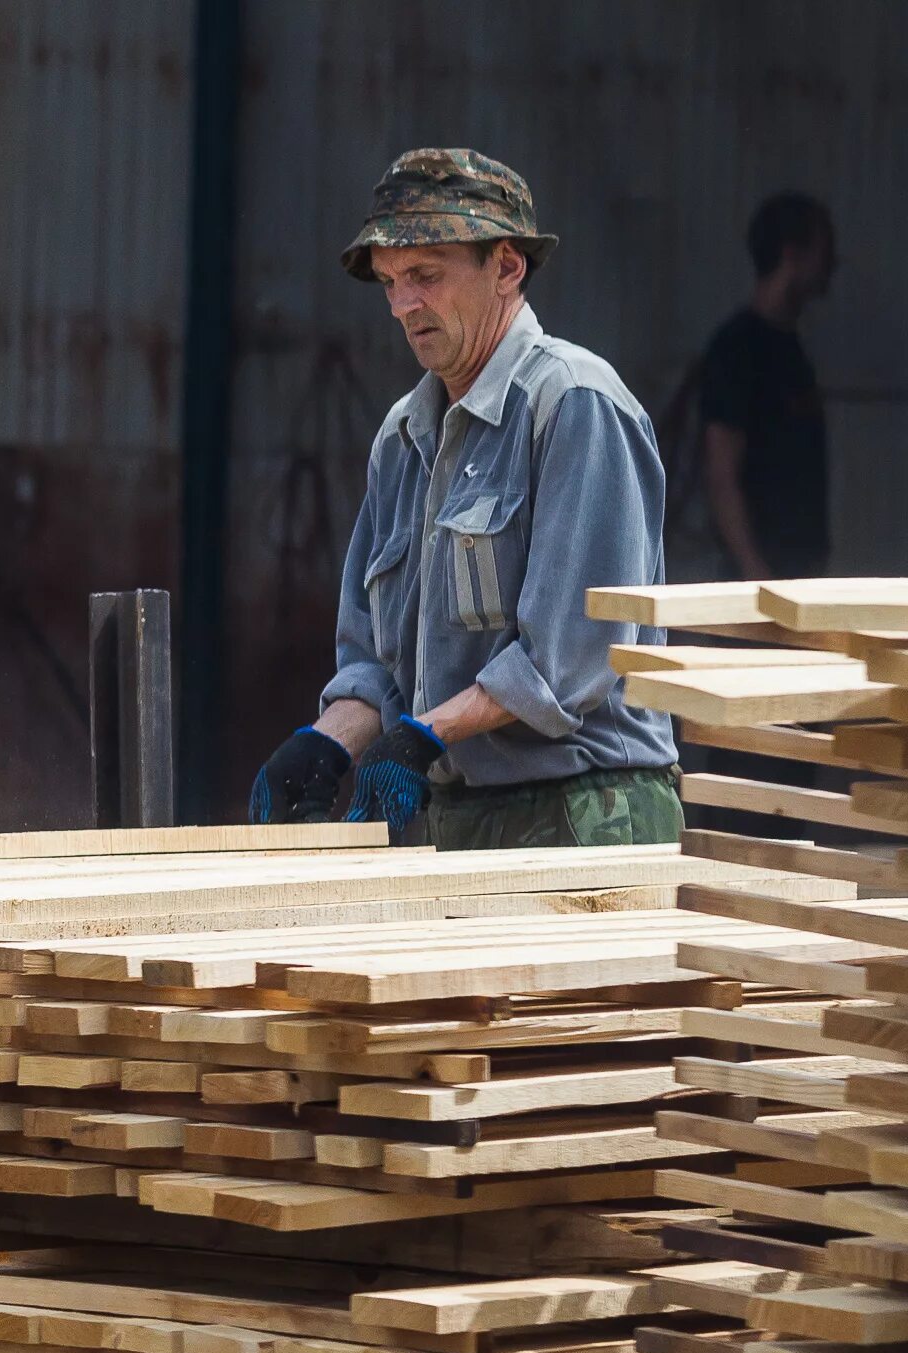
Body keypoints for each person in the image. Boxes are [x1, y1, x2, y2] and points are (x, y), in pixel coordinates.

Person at [249, 148, 680, 850]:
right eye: (390, 282)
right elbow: (378, 659)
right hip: (459, 814)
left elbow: (568, 664)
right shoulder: (402, 437)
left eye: (425, 275)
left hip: (588, 809)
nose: (403, 304)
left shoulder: (575, 404)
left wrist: (424, 735)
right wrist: (325, 743)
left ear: (506, 267)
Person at [700, 193, 836, 580]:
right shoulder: (737, 349)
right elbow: (721, 473)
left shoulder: (792, 347)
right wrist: (756, 576)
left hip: (801, 578)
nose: (831, 265)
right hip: (761, 589)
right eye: (823, 251)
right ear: (792, 254)